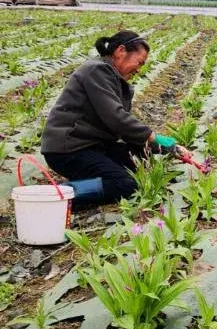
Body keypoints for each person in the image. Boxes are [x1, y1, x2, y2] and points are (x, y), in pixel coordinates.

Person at [41, 30, 189, 207]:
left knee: (139, 169)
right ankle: (56, 197)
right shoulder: (96, 70)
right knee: (126, 184)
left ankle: (90, 181)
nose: (139, 69)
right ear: (120, 51)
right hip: (68, 149)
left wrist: (161, 147)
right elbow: (116, 118)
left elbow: (122, 128)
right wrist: (153, 136)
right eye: (139, 62)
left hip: (91, 145)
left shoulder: (112, 77)